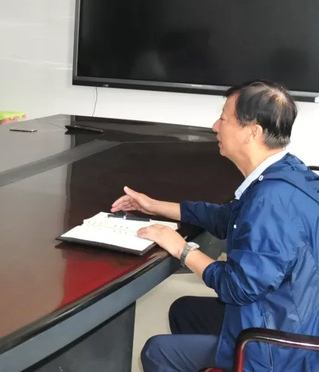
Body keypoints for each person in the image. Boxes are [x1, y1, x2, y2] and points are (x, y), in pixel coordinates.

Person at [111, 80, 319, 371]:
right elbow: (226, 218)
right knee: (185, 311)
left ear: (252, 132)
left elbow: (237, 287)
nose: (214, 127)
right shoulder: (287, 171)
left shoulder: (272, 201)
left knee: (158, 352)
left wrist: (183, 249)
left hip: (280, 348)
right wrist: (154, 206)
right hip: (288, 313)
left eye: (224, 118)